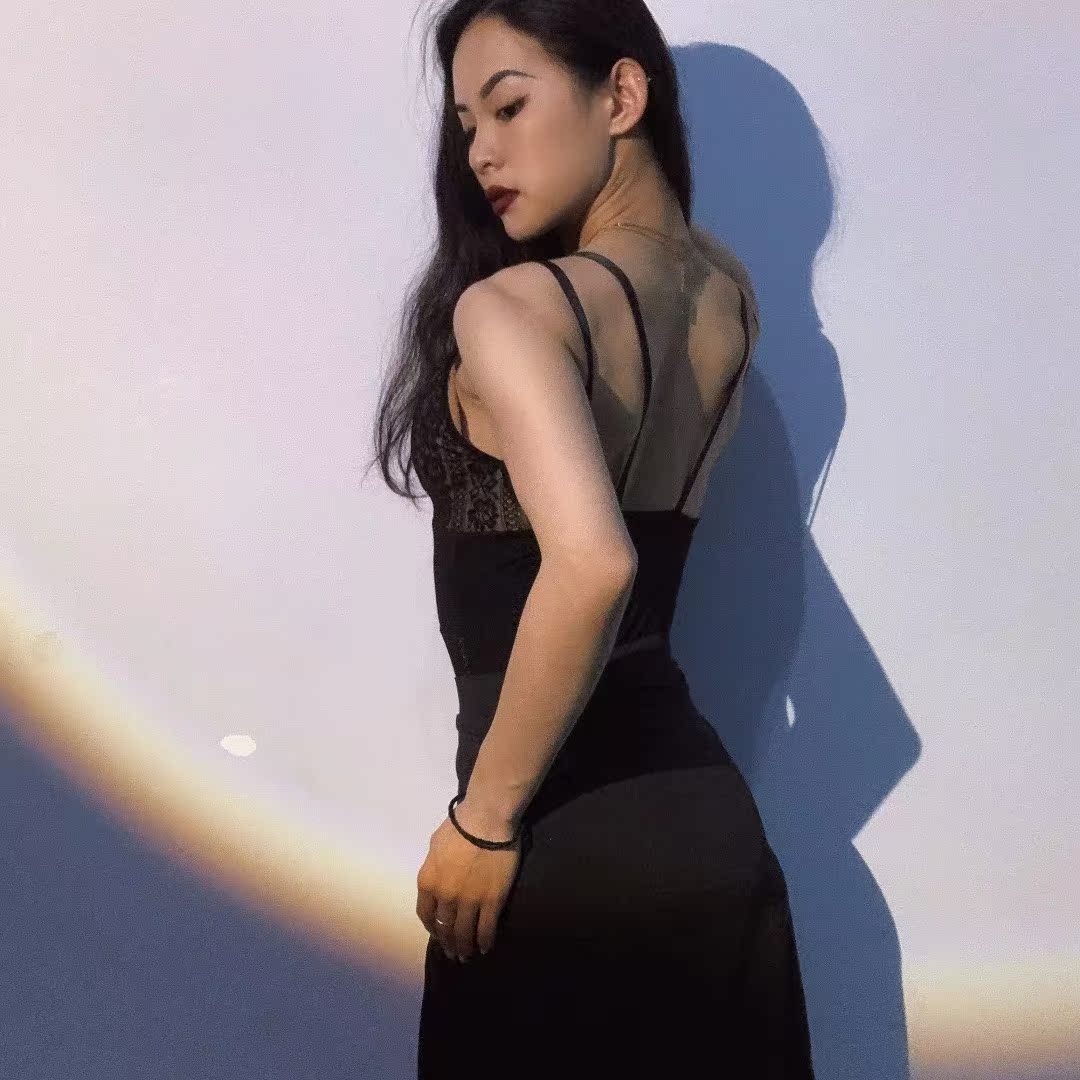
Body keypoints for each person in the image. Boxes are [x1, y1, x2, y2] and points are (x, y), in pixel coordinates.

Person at [369, 1, 816, 1075]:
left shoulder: (512, 310)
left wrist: (482, 824)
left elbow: (596, 563)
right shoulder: (727, 296)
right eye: (466, 125)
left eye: (509, 107)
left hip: (558, 861)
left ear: (621, 95)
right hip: (705, 840)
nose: (480, 152)